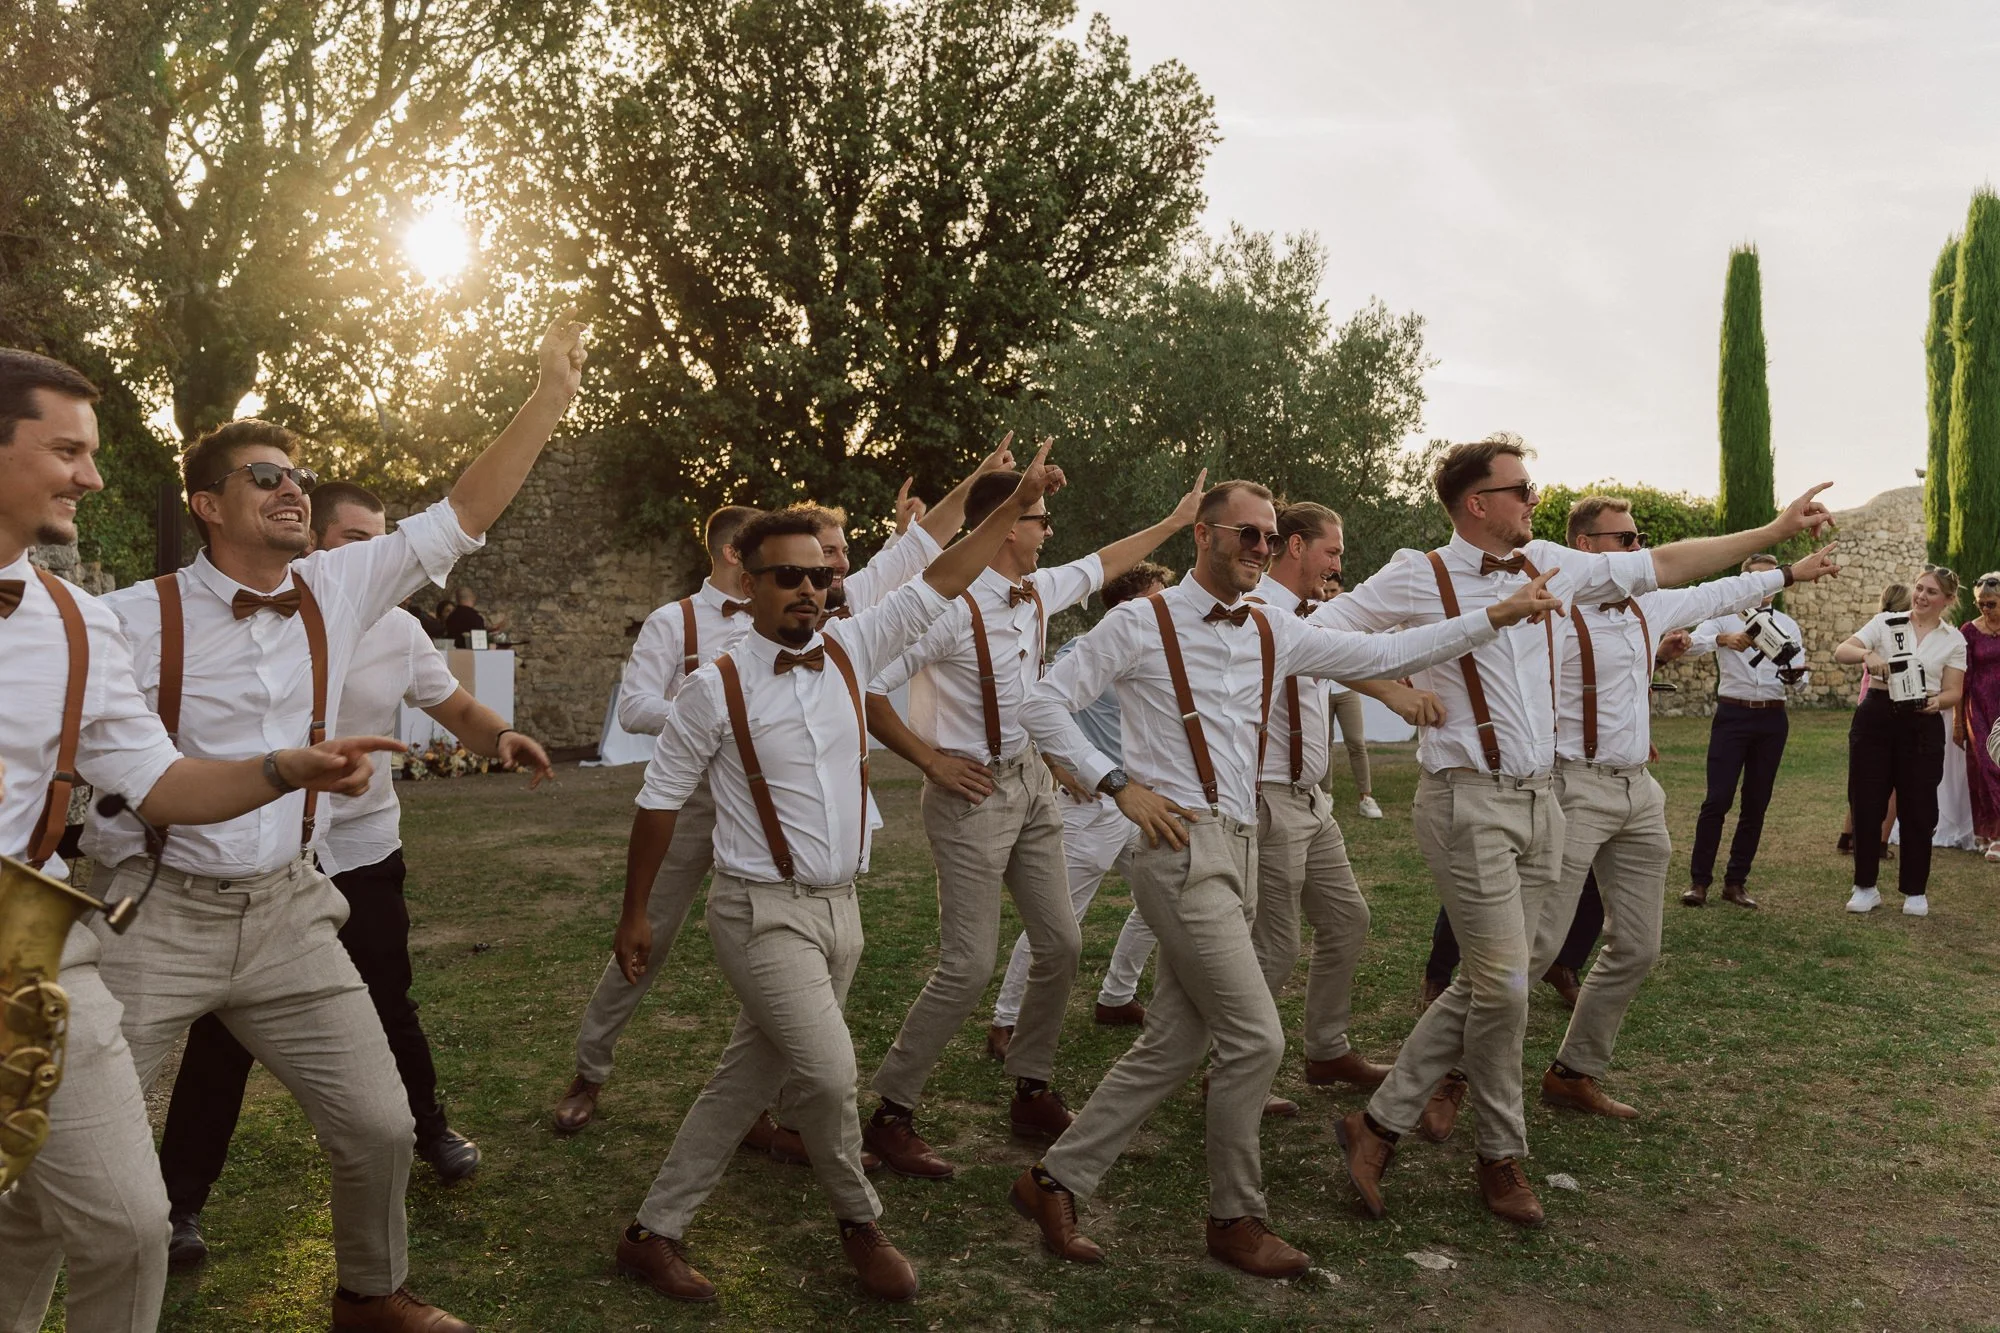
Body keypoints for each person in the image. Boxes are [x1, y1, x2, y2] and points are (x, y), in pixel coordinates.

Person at [76, 317, 586, 1333]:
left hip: (291, 912)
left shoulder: (338, 588)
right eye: (264, 476)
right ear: (208, 504)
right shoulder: (130, 618)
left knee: (378, 1123)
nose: (290, 488)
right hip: (154, 914)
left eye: (296, 475)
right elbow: (90, 760)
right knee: (98, 1173)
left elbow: (463, 513)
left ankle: (370, 1293)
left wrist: (548, 402)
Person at [1012, 477, 1566, 1277]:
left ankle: (1053, 1179)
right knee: (1255, 1037)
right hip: (1179, 849)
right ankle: (1234, 1215)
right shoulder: (1142, 622)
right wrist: (1116, 783)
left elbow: (1384, 653)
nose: (1260, 549)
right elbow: (1044, 702)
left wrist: (1497, 616)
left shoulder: (1273, 629)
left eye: (1269, 538)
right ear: (1201, 536)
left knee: (1174, 1042)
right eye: (1246, 535)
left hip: (1239, 848)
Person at [1326, 434, 1833, 1228]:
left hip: (1541, 802)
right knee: (1501, 984)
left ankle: (1407, 1127)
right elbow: (1320, 633)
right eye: (1521, 488)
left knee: (1505, 985)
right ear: (1476, 503)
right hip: (1466, 799)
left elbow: (1671, 567)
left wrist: (1773, 535)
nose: (1533, 498)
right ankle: (1484, 1150)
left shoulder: (1551, 563)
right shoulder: (1416, 573)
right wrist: (1390, 690)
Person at [0, 348, 403, 1333]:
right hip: (120, 925)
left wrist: (282, 769)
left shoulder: (74, 624)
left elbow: (165, 782)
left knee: (133, 1226)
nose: (93, 475)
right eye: (66, 450)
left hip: (23, 944)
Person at [607, 449, 1063, 1305]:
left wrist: (1017, 502)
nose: (812, 591)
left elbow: (946, 571)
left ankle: (651, 1231)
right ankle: (861, 1222)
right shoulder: (714, 689)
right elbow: (659, 802)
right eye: (790, 577)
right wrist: (636, 913)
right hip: (758, 912)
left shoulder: (853, 647)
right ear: (746, 585)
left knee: (746, 1078)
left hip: (840, 913)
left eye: (820, 576)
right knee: (827, 1073)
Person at [550, 442, 1007, 1141]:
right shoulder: (677, 621)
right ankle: (590, 1068)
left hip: (786, 811)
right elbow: (636, 704)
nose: (820, 572)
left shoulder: (824, 615)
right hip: (701, 797)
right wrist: (721, 718)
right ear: (741, 555)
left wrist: (983, 481)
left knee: (783, 949)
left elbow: (917, 553)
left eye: (821, 564)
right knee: (651, 937)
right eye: (796, 563)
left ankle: (769, 1105)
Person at [155, 481, 557, 1269]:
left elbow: (456, 707)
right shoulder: (262, 624)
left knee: (389, 1001)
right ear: (315, 544)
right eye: (352, 539)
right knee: (222, 1036)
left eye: (379, 539)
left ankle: (429, 1127)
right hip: (264, 859)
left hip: (363, 850)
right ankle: (180, 1204)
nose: (372, 555)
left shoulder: (400, 628)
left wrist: (503, 734)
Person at [860, 467, 1204, 1174]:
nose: (1050, 531)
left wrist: (1173, 522)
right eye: (1040, 518)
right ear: (1009, 525)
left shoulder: (1039, 589)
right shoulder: (949, 607)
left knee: (1062, 943)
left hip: (1032, 783)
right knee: (968, 964)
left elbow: (1104, 561)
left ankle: (1032, 1087)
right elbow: (863, 684)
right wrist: (930, 761)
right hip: (970, 792)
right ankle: (890, 1110)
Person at [1533, 496, 1838, 1121]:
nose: (1640, 546)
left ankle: (1574, 1071)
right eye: (1627, 537)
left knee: (1637, 947)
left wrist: (1789, 571)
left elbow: (1715, 593)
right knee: (1533, 947)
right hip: (1573, 785)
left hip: (1637, 790)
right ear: (1586, 546)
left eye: (1642, 536)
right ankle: (1445, 1076)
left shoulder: (1652, 604)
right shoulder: (1548, 609)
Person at [1244, 501, 1397, 1101]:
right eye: (1332, 551)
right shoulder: (1253, 612)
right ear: (1297, 546)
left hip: (1313, 802)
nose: (1338, 563)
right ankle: (1233, 1071)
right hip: (1269, 798)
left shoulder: (1319, 615)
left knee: (1347, 919)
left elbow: (1354, 657)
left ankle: (1327, 1051)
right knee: (1274, 946)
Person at [987, 564, 1171, 1050]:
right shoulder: (1084, 650)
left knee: (1165, 901)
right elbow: (1034, 707)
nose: (1168, 603)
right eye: (1158, 596)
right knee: (1058, 921)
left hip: (1144, 806)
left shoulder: (1160, 652)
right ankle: (1006, 1022)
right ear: (1128, 604)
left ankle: (1116, 996)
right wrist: (1060, 766)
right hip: (1095, 809)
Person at [1680, 556, 1813, 907]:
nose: (1765, 586)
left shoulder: (1788, 624)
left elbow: (1801, 681)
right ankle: (1699, 882)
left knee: (1756, 803)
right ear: (1744, 581)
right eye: (1758, 578)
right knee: (1717, 799)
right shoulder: (1723, 617)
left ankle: (1736, 882)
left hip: (1772, 719)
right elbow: (1691, 646)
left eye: (1771, 579)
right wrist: (1724, 639)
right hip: (1733, 714)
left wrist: (1795, 676)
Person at [1836, 565, 1966, 917]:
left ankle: (1915, 892)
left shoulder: (1954, 639)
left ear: (1948, 600)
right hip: (1876, 716)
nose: (1921, 596)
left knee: (1920, 809)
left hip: (1923, 724)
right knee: (1866, 803)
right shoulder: (1886, 623)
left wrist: (1938, 702)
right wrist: (1867, 654)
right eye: (1919, 588)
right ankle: (1865, 887)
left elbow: (1954, 691)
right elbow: (1841, 650)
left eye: (1931, 592)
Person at [1838, 583, 1909, 856]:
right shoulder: (1898, 629)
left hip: (1866, 703)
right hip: (1885, 705)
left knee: (1863, 778)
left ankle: (1847, 836)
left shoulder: (1878, 628)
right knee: (1891, 785)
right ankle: (1879, 841)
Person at [1319, 574, 1382, 819]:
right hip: (1322, 689)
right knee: (1324, 744)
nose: (1328, 595)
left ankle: (1366, 797)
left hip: (1346, 690)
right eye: (1325, 590)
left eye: (1333, 590)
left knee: (1356, 743)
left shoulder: (1348, 615)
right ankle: (1325, 794)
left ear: (1342, 590)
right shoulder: (1313, 613)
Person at [1958, 573, 2000, 861]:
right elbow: (1961, 678)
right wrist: (1958, 722)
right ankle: (1992, 833)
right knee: (1986, 767)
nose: (1985, 609)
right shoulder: (1969, 631)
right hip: (1979, 708)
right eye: (1981, 604)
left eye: (1991, 604)